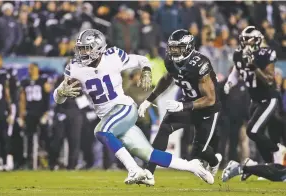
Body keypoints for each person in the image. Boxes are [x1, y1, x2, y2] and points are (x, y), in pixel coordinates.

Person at [53, 29, 214, 185]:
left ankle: (134, 170)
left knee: (101, 131)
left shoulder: (113, 56)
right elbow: (58, 99)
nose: (81, 53)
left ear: (98, 48)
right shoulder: (74, 68)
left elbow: (141, 59)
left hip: (124, 108)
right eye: (80, 48)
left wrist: (146, 69)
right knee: (149, 154)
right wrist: (60, 92)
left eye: (86, 49)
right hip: (110, 118)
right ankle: (193, 166)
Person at [138, 29, 222, 186]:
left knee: (199, 152)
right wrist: (149, 100)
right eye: (173, 47)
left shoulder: (200, 63)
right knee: (164, 127)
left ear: (189, 47)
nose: (174, 51)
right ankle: (149, 172)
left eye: (179, 47)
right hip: (188, 104)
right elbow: (166, 79)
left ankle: (215, 161)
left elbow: (210, 99)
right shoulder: (170, 60)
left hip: (207, 110)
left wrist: (183, 105)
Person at [224, 26, 286, 168]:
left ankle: (278, 150)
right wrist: (229, 83)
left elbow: (270, 79)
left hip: (269, 98)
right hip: (255, 101)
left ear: (257, 41)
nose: (245, 44)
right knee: (256, 136)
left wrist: (255, 66)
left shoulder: (265, 53)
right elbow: (236, 71)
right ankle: (271, 166)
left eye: (249, 41)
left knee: (253, 131)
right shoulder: (239, 55)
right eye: (243, 40)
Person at [18, 63, 52, 169]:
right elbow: (22, 99)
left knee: (44, 137)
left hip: (41, 113)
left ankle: (46, 159)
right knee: (28, 138)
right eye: (29, 69)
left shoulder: (43, 80)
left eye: (32, 68)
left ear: (37, 69)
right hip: (29, 113)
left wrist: (46, 113)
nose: (30, 70)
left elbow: (48, 96)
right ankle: (29, 161)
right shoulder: (25, 82)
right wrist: (21, 115)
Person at [0, 55, 13, 170]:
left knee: (3, 136)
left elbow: (7, 93)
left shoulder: (2, 75)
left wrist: (10, 111)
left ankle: (5, 160)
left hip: (1, 109)